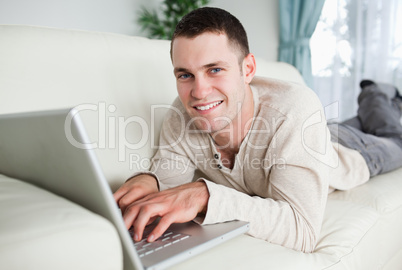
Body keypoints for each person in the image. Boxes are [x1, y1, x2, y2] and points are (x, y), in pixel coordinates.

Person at [113, 7, 402, 253]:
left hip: (349, 151)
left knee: (394, 137)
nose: (198, 92)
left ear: (248, 69)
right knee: (344, 125)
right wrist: (149, 182)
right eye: (185, 75)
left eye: (215, 69)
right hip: (310, 135)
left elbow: (301, 230)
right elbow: (169, 184)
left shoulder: (296, 107)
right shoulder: (182, 113)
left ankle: (375, 93)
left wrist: (205, 195)